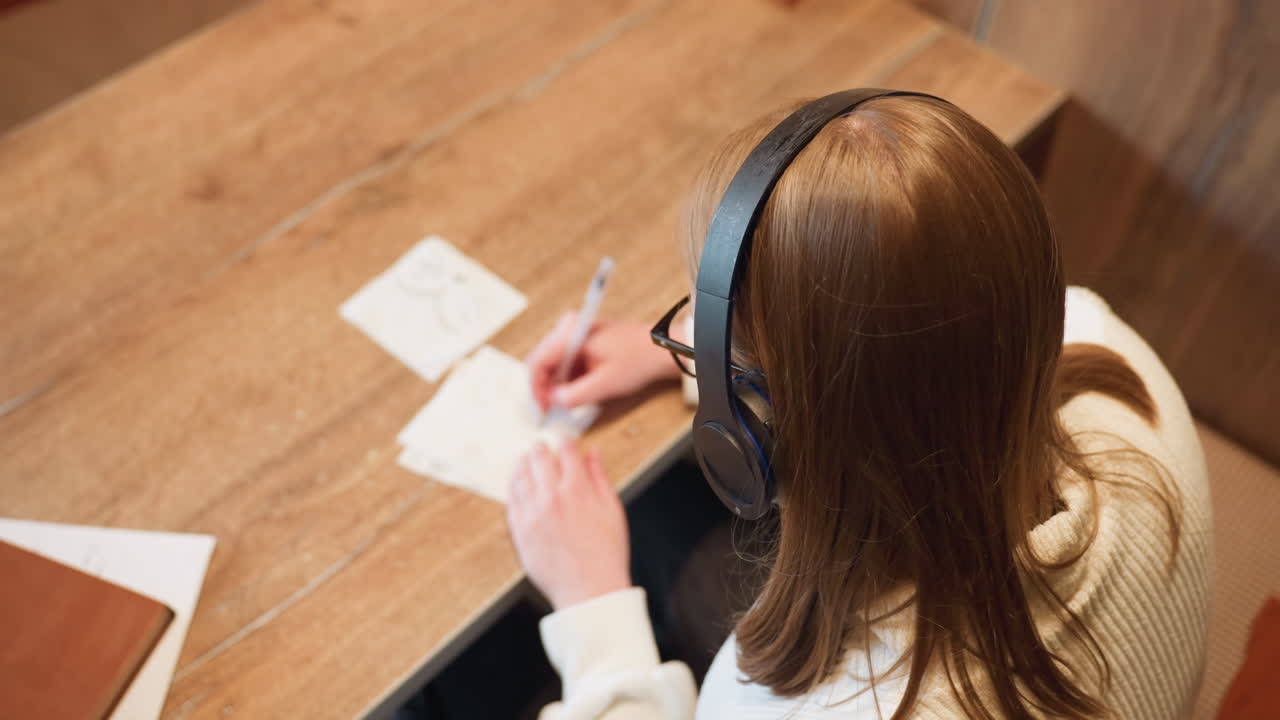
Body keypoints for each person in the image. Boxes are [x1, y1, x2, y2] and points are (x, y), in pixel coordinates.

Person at [506, 93, 1212, 719]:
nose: (692, 324)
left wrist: (592, 609)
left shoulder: (813, 706)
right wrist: (701, 359)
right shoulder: (1123, 367)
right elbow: (917, 355)